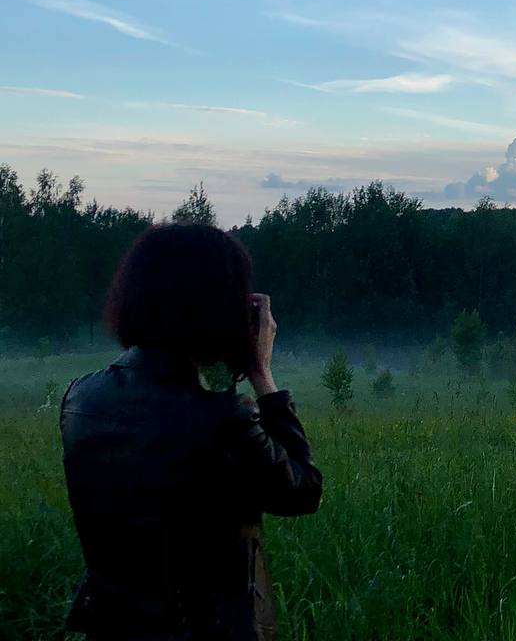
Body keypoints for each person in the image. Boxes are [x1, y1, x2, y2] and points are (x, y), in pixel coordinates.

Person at [60, 223, 322, 641]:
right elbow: (302, 491)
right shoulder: (221, 418)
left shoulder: (81, 399)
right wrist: (262, 375)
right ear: (215, 307)